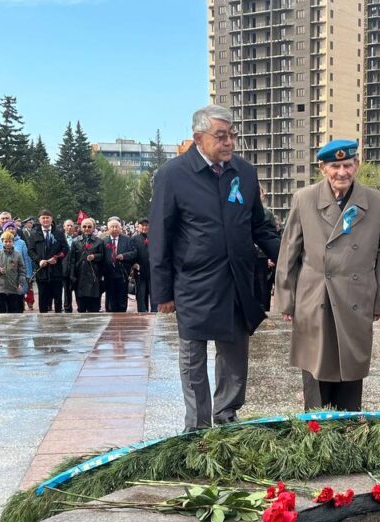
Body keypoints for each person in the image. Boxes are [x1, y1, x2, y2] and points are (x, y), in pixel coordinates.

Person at [149, 104, 280, 432]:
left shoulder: (244, 173)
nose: (230, 142)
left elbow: (259, 227)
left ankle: (227, 417)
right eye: (221, 136)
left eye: (232, 135)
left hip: (237, 281)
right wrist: (163, 291)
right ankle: (197, 426)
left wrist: (289, 257)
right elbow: (161, 235)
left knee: (235, 355)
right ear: (198, 138)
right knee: (193, 359)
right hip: (194, 283)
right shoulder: (173, 175)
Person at [275, 139, 380, 412]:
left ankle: (349, 435)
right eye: (335, 166)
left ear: (357, 165)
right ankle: (318, 439)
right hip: (316, 297)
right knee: (316, 375)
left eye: (347, 165)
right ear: (322, 168)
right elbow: (289, 251)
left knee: (351, 374)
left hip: (356, 297)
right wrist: (287, 297)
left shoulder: (375, 201)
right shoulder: (304, 199)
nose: (342, 172)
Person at [29, 209, 68, 313]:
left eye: (48, 217)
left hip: (56, 271)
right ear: (39, 220)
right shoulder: (34, 234)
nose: (45, 220)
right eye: (43, 218)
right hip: (42, 271)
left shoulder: (59, 233)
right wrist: (39, 260)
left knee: (58, 299)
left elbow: (65, 249)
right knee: (42, 299)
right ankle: (43, 321)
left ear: (51, 219)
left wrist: (56, 258)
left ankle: (59, 320)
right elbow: (31, 251)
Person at [66, 217, 105, 312]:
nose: (87, 228)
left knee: (94, 308)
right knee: (81, 307)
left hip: (94, 277)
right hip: (80, 277)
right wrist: (71, 275)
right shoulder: (75, 241)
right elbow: (72, 260)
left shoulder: (99, 242)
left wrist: (94, 256)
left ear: (93, 228)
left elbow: (103, 257)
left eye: (89, 226)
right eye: (84, 226)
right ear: (81, 227)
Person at [102, 217, 136, 312]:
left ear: (120, 228)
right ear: (108, 229)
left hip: (122, 273)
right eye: (112, 227)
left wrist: (124, 256)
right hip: (109, 273)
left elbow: (134, 252)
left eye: (116, 227)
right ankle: (110, 312)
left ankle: (122, 313)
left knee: (122, 296)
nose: (114, 229)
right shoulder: (104, 241)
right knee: (110, 296)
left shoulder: (127, 240)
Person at [0, 229, 26, 313]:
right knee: (0, 309)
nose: (8, 243)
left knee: (13, 309)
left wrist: (21, 283)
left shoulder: (18, 255)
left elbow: (22, 270)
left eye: (10, 241)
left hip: (13, 287)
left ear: (13, 242)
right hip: (1, 287)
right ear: (2, 242)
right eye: (5, 241)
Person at [133, 217, 154, 313]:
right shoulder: (134, 239)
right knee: (141, 295)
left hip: (153, 271)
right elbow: (131, 253)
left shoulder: (155, 237)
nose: (144, 227)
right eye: (142, 225)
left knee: (154, 295)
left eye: (146, 225)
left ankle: (155, 312)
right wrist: (134, 264)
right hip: (140, 271)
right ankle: (142, 313)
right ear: (138, 227)